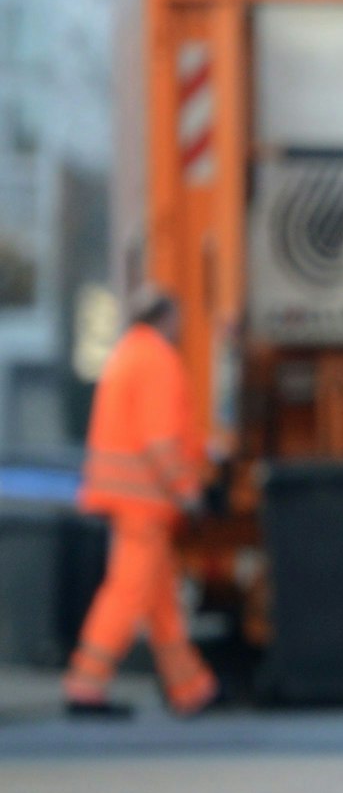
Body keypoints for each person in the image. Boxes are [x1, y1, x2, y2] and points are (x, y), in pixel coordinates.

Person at [63, 289, 218, 718]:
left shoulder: (127, 353)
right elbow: (160, 438)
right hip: (145, 501)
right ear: (166, 319)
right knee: (128, 593)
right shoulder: (158, 360)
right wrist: (187, 489)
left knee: (161, 600)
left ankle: (190, 688)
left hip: (130, 498)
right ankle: (86, 683)